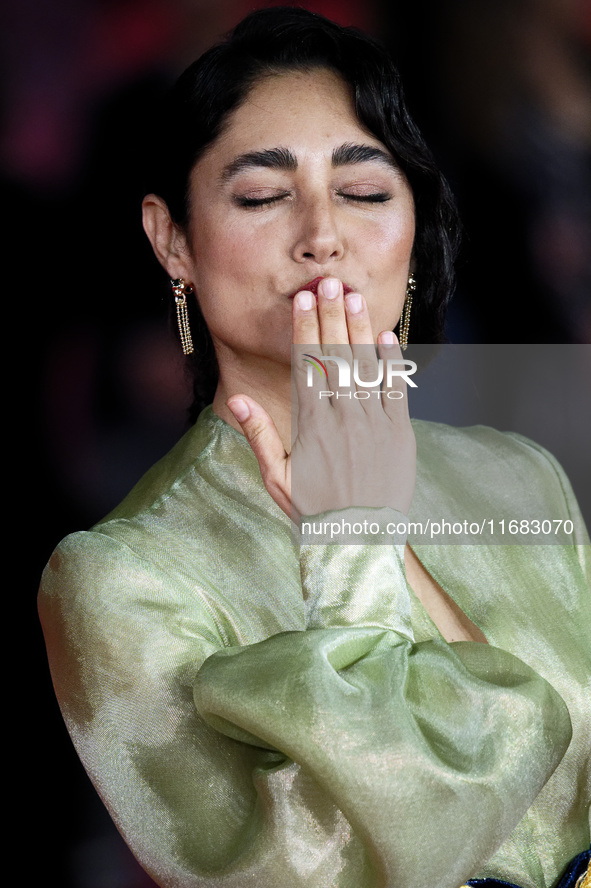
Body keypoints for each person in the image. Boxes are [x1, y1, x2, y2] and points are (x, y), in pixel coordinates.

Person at [38, 8, 590, 888]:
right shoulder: (120, 581)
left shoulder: (519, 477)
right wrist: (349, 538)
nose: (322, 233)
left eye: (366, 192)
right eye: (261, 196)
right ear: (171, 238)